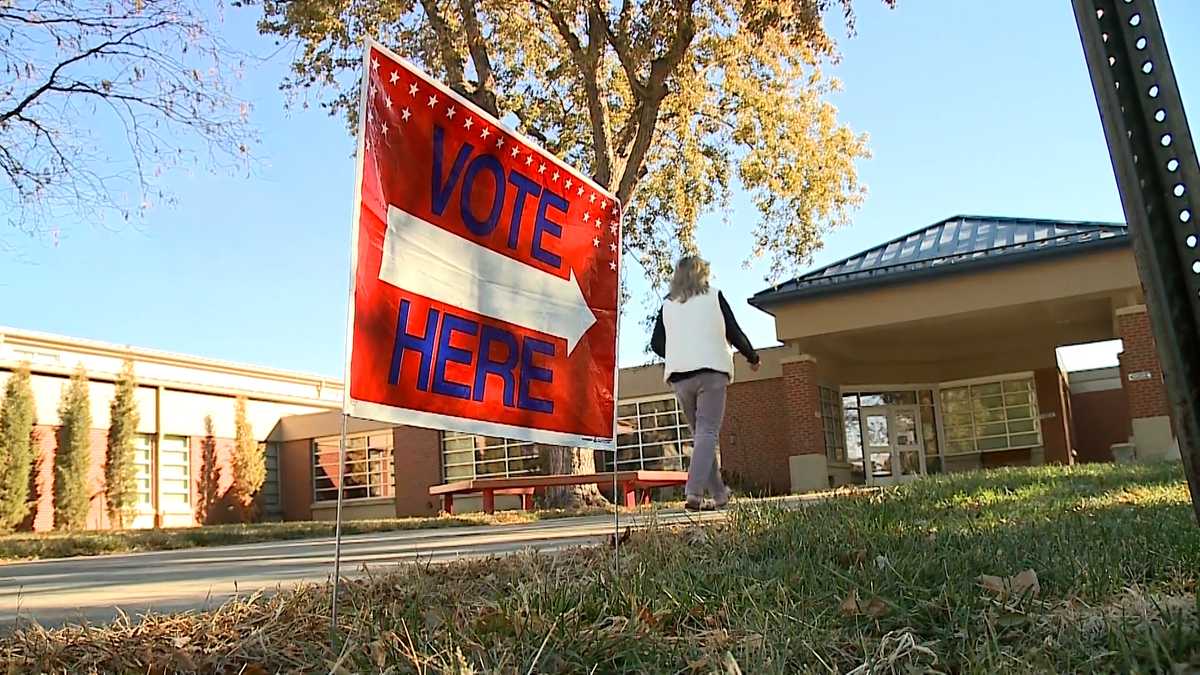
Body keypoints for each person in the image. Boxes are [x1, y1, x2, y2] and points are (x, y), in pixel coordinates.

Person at [650, 255, 760, 511]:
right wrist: (752, 357)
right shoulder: (713, 296)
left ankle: (720, 494)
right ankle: (694, 492)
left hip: (681, 378)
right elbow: (734, 330)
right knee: (708, 433)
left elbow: (656, 344)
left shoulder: (667, 305)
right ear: (703, 275)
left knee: (701, 436)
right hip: (711, 372)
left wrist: (680, 352)